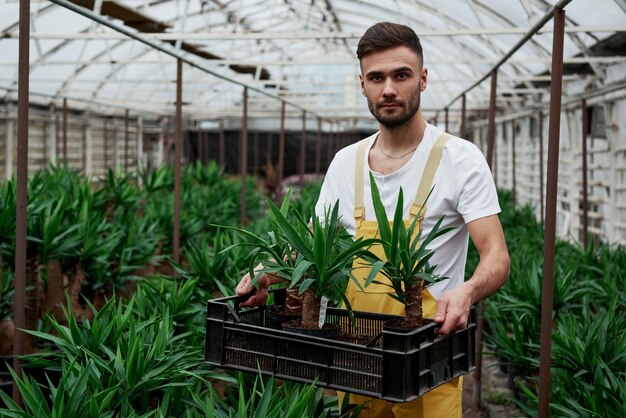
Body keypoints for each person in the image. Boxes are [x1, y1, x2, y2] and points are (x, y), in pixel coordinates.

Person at [236, 21, 510, 418]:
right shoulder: (345, 163)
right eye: (376, 77)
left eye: (401, 75)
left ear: (423, 79)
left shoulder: (460, 159)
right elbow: (313, 249)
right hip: (357, 356)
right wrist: (270, 274)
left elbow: (497, 256)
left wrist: (467, 291)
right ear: (362, 84)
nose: (389, 89)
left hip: (426, 358)